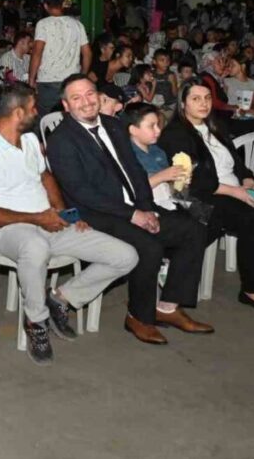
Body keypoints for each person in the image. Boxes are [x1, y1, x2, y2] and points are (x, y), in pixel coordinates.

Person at [0, 83, 138, 365]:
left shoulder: (30, 140)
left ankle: (61, 298)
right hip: (5, 231)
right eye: (34, 108)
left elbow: (45, 177)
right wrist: (38, 218)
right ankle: (37, 322)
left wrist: (64, 211)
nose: (38, 112)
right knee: (34, 247)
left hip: (47, 222)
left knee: (125, 256)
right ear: (18, 112)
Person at [46, 75, 212, 345]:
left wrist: (148, 209)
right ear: (66, 105)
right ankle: (139, 317)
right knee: (149, 246)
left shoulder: (114, 125)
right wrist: (133, 214)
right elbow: (81, 193)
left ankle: (167, 307)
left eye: (90, 94)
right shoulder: (61, 140)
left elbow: (135, 171)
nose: (86, 102)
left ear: (98, 96)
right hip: (96, 214)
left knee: (192, 229)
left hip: (135, 205)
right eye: (76, 98)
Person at [158, 79, 254, 314]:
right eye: (195, 99)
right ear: (183, 104)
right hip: (203, 197)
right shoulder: (176, 134)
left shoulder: (215, 126)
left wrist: (248, 178)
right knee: (251, 218)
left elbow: (236, 160)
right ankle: (251, 290)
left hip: (236, 189)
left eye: (206, 98)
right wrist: (237, 192)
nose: (203, 103)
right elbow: (193, 182)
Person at [28, 0, 92, 115]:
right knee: (71, 117)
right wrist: (82, 75)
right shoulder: (77, 25)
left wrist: (31, 79)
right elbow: (87, 53)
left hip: (48, 81)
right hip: (71, 81)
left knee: (47, 120)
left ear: (45, 6)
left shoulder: (43, 24)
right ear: (63, 3)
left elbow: (36, 53)